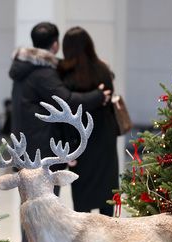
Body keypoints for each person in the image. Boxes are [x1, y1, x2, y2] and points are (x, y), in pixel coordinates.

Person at [9, 22, 110, 242]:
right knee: (45, 198)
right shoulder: (43, 72)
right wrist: (98, 96)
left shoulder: (21, 68)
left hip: (23, 142)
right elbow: (68, 100)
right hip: (41, 144)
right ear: (55, 45)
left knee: (28, 196)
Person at [58, 26, 119, 217]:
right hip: (104, 139)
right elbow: (108, 100)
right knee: (107, 193)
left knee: (83, 197)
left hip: (80, 141)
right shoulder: (102, 70)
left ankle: (86, 241)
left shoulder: (64, 75)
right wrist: (98, 97)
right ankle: (109, 241)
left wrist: (68, 149)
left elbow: (65, 110)